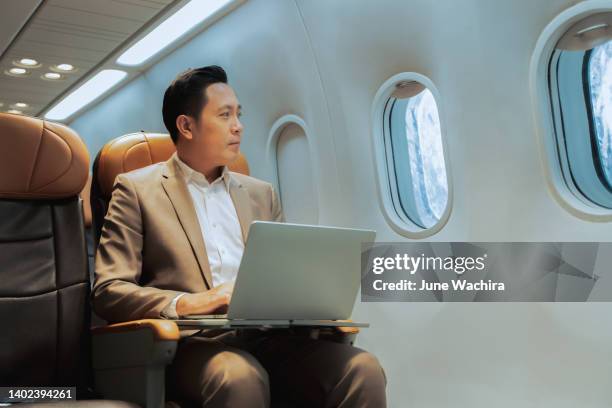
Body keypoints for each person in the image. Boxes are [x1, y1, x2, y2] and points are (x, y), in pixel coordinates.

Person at [92, 65, 386, 407]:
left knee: (362, 368)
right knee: (239, 377)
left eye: (238, 114)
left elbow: (283, 277)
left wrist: (307, 300)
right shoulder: (137, 190)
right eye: (224, 115)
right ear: (186, 126)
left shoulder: (262, 194)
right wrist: (188, 303)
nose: (238, 126)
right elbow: (108, 291)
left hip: (268, 339)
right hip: (190, 344)